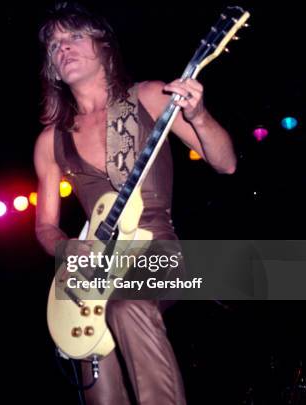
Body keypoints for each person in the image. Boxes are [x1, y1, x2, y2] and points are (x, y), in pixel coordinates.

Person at [33, 3, 236, 404]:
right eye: (55, 45)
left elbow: (225, 162)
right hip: (94, 269)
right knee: (101, 390)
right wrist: (69, 249)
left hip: (157, 247)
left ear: (104, 46)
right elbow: (44, 226)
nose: (63, 49)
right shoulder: (49, 140)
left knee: (127, 306)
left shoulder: (150, 96)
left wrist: (199, 115)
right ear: (52, 68)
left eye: (74, 36)